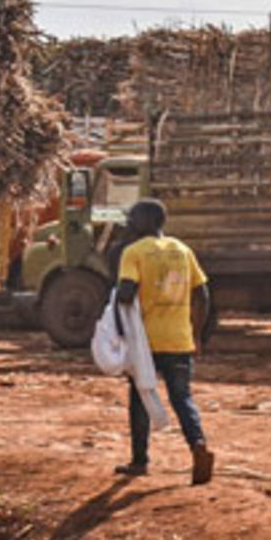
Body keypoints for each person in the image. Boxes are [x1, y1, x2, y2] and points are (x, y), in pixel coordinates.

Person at [113, 199, 215, 485]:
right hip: (180, 339)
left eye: (133, 218)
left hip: (146, 342)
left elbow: (125, 294)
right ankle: (198, 444)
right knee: (182, 397)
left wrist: (118, 324)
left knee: (140, 397)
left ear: (144, 220)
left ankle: (140, 460)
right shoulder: (182, 250)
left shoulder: (133, 252)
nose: (129, 223)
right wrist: (197, 334)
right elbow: (202, 295)